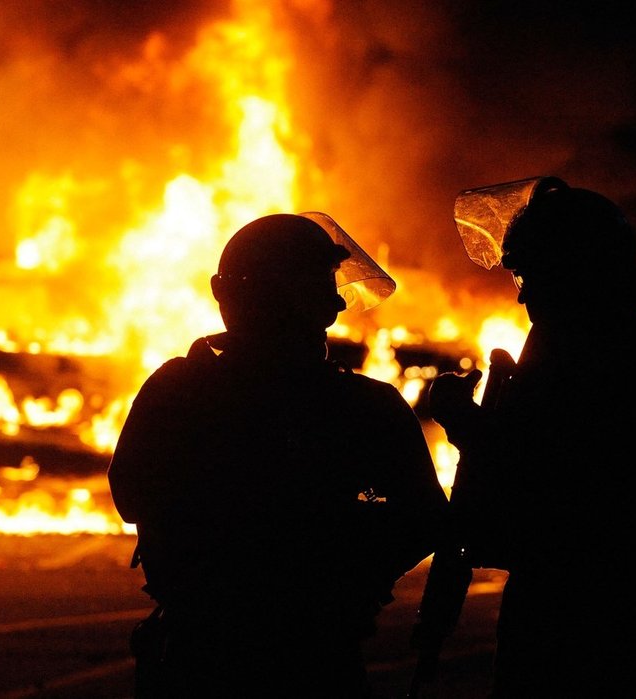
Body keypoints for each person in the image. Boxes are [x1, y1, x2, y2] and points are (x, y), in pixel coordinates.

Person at [108, 213, 447, 698]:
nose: (333, 301)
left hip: (202, 654)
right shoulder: (362, 405)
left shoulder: (178, 390)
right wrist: (352, 576)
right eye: (324, 285)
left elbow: (131, 496)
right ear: (320, 306)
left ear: (227, 295)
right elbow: (425, 519)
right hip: (317, 656)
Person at [429, 183, 636, 697]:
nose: (520, 292)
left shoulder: (584, 354)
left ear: (568, 269)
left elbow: (552, 473)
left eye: (526, 272)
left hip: (574, 606)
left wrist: (461, 421)